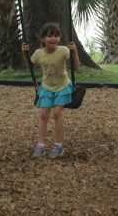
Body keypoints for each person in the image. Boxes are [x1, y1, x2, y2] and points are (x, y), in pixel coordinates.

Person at [21, 22, 80, 160]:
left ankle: (58, 145)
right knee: (44, 115)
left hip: (63, 86)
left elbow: (76, 67)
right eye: (49, 36)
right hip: (47, 87)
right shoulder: (38, 53)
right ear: (43, 39)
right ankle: (40, 146)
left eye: (56, 35)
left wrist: (75, 51)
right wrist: (24, 53)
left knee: (58, 113)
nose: (53, 39)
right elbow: (30, 66)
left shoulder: (64, 50)